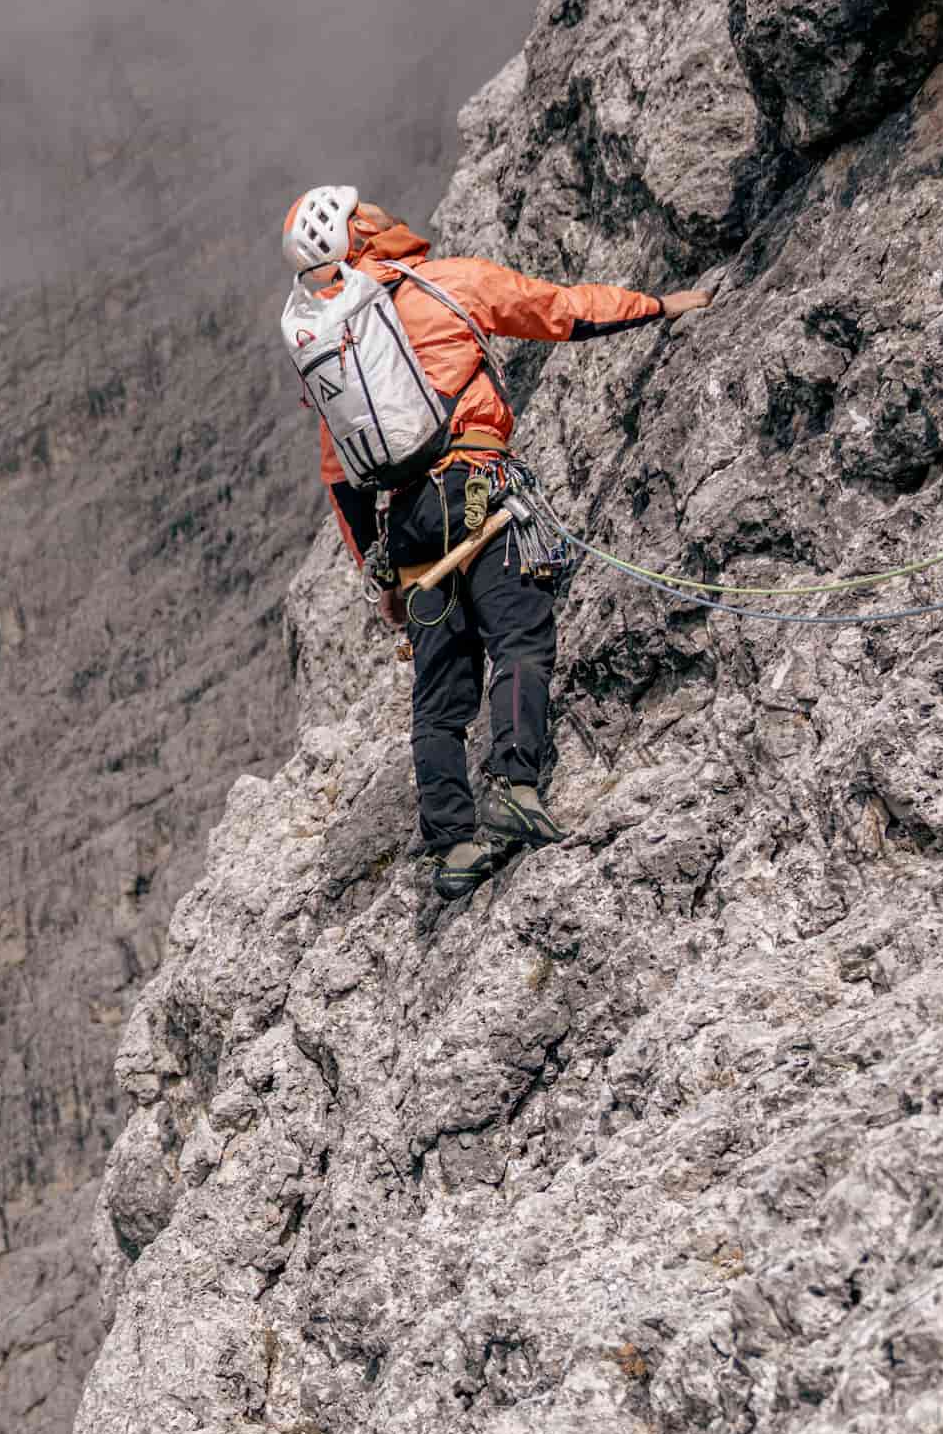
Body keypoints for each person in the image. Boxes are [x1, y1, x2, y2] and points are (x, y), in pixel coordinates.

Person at [280, 187, 713, 904]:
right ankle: (515, 785)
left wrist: (382, 579)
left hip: (410, 529)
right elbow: (560, 311)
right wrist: (659, 306)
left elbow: (343, 484)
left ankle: (452, 843)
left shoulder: (334, 359)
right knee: (518, 639)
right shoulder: (443, 283)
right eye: (373, 209)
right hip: (476, 488)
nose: (390, 210)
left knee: (440, 695)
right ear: (358, 231)